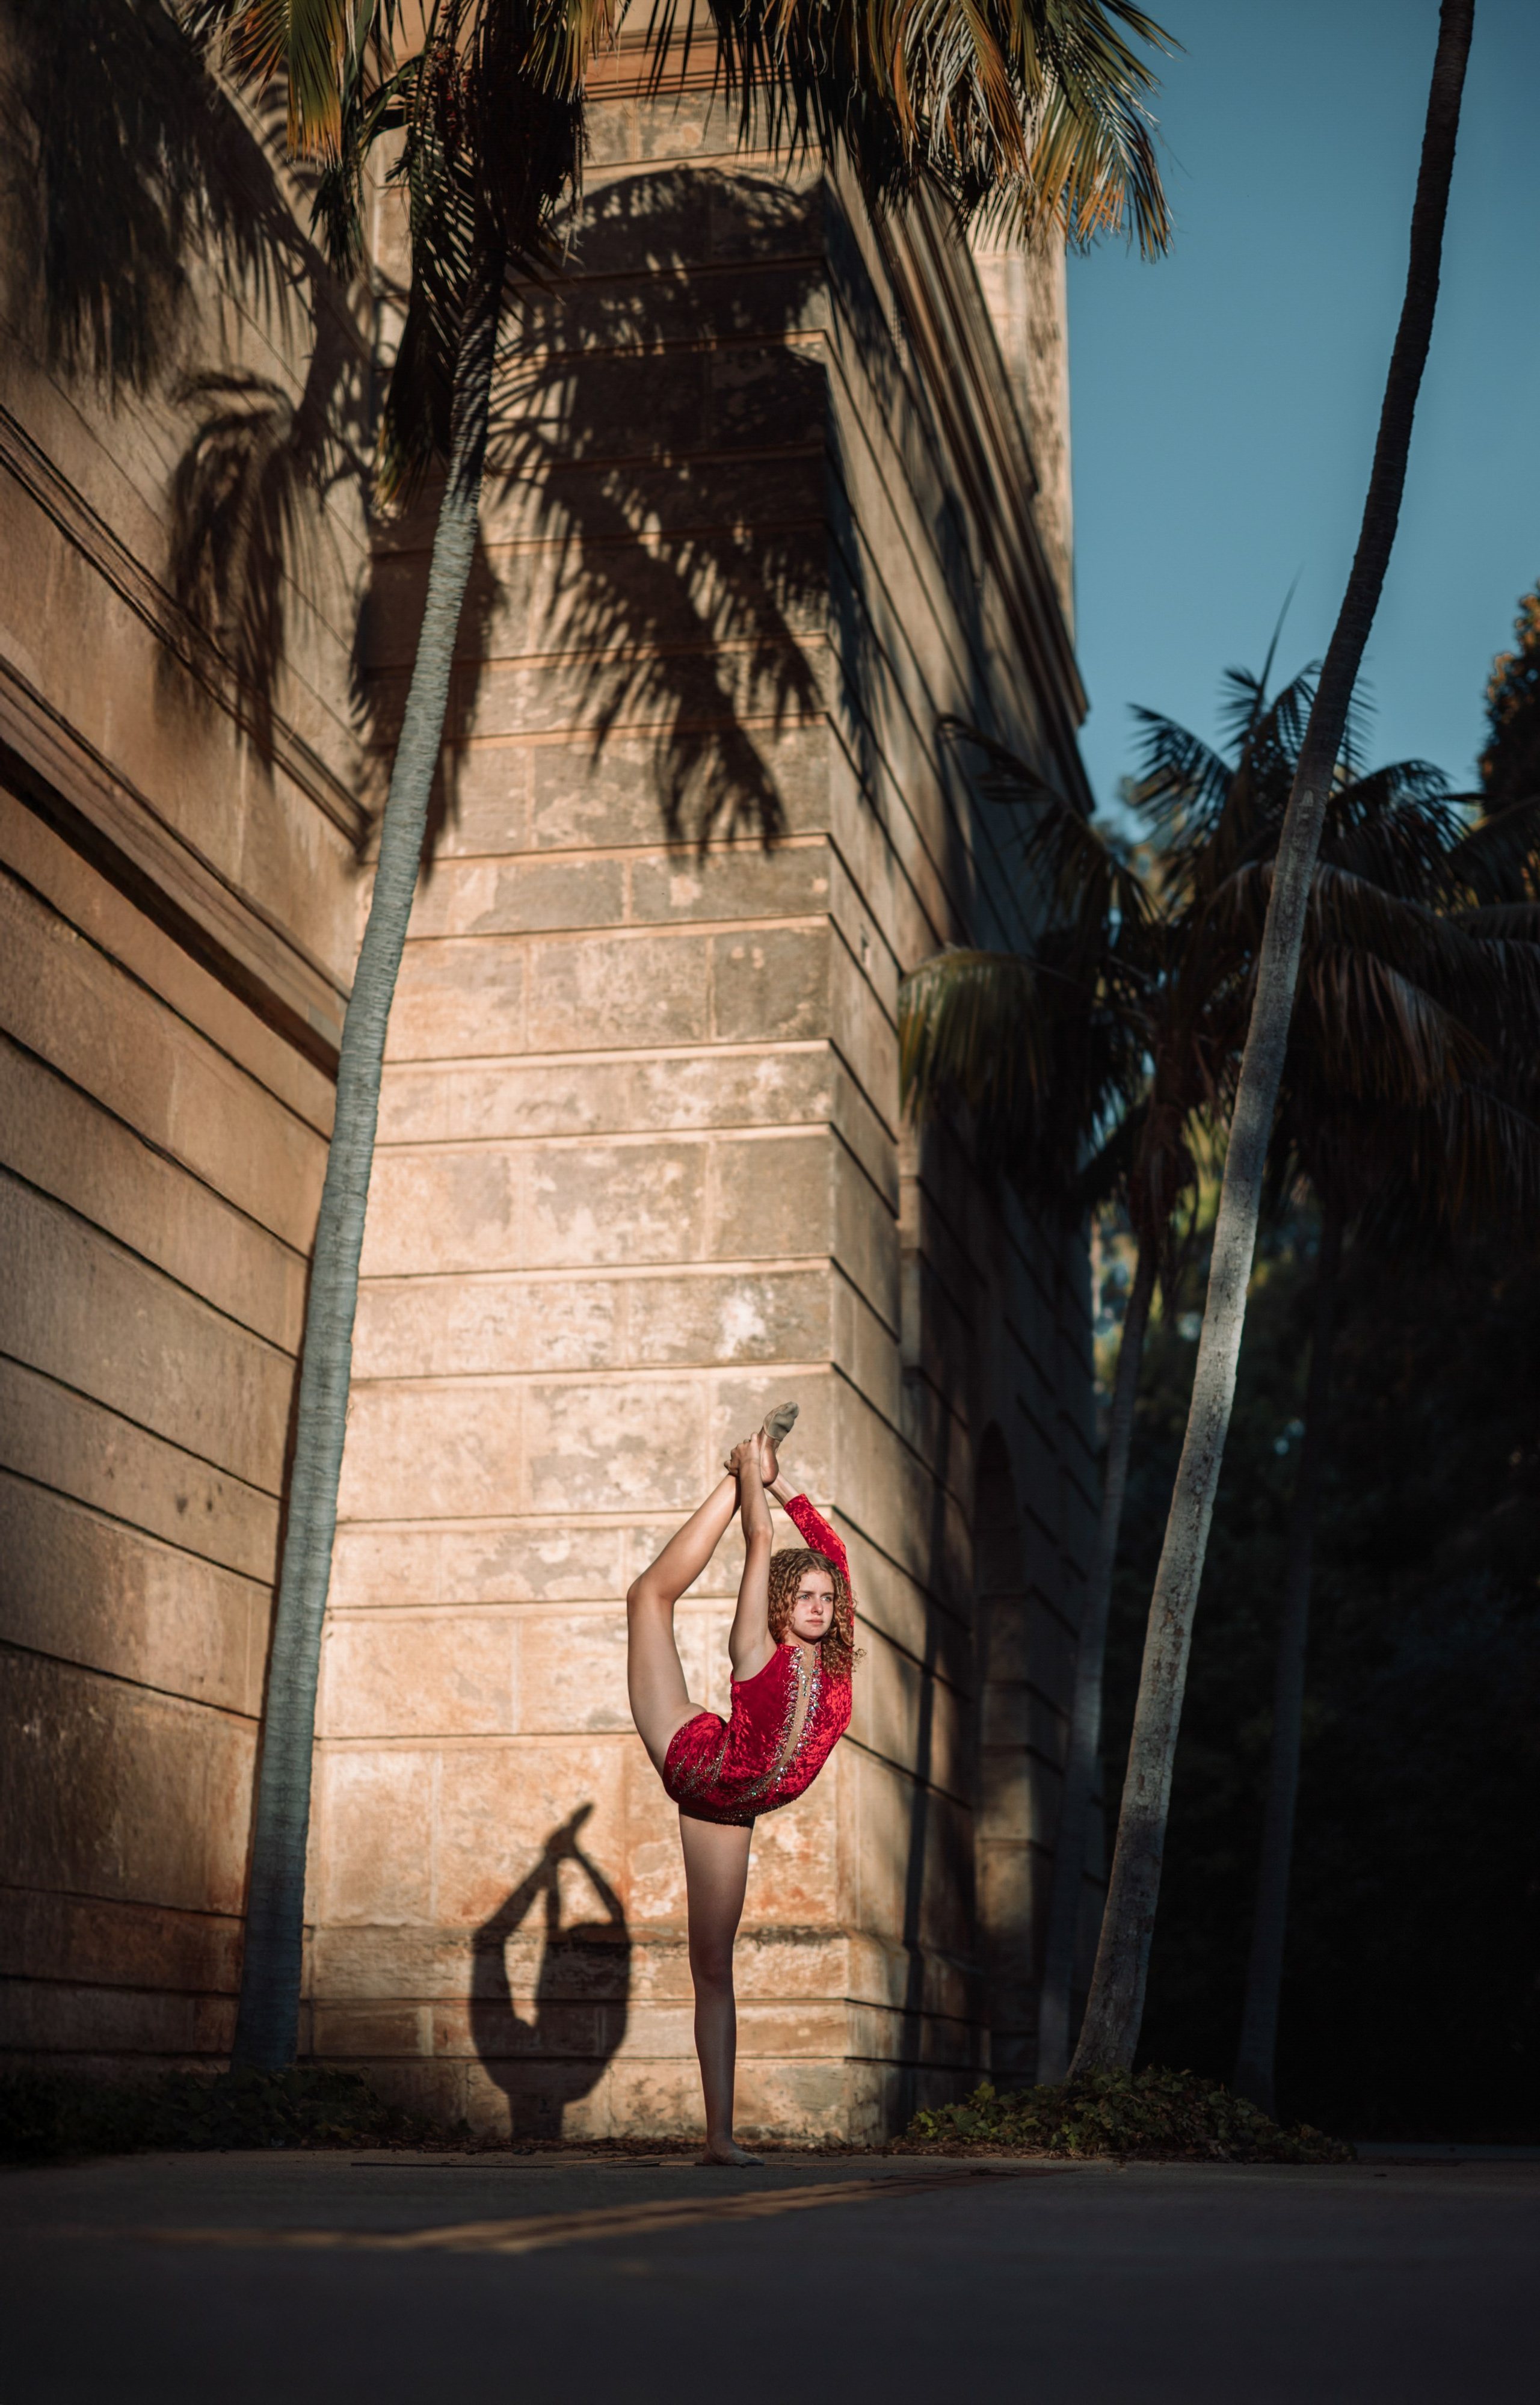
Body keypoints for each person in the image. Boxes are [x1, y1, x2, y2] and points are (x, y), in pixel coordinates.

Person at [626, 1412, 858, 2164]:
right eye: (805, 1597)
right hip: (696, 1760)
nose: (819, 1605)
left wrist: (782, 1475)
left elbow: (834, 1551)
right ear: (782, 1603)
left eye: (826, 1598)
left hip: (733, 1810)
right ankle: (731, 1468)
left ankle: (718, 2137)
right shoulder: (754, 1646)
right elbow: (763, 1545)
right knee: (647, 1598)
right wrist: (751, 1485)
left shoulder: (837, 1670)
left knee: (712, 1965)